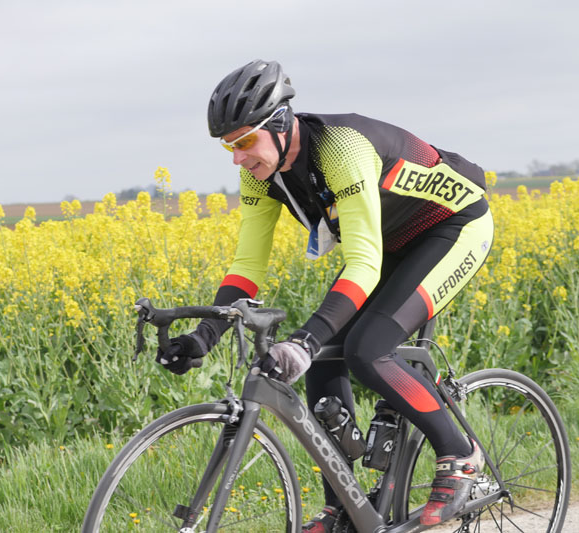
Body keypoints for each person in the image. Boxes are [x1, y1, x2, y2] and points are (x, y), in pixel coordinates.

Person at [156, 59, 494, 530]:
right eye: (228, 146)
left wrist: (305, 340)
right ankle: (342, 507)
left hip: (452, 228)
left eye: (244, 141)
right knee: (322, 358)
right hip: (392, 240)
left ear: (280, 124)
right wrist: (203, 337)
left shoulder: (341, 148)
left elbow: (363, 263)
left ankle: (460, 455)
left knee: (367, 349)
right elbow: (248, 267)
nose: (236, 157)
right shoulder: (259, 173)